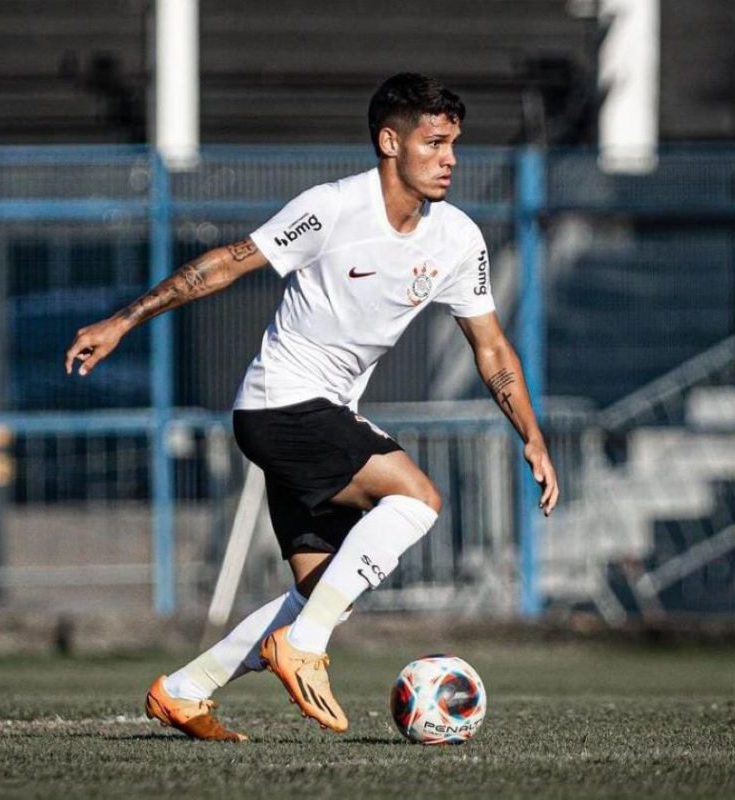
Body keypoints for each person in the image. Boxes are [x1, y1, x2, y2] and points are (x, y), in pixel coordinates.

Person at [64, 72, 559, 741]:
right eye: (434, 142)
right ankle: (302, 646)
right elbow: (229, 263)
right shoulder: (331, 208)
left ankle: (185, 689)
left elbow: (492, 346)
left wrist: (529, 434)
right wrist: (124, 320)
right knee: (416, 500)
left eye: (453, 144)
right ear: (390, 142)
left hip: (321, 415)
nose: (449, 158)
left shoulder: (457, 239)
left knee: (318, 589)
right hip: (279, 406)